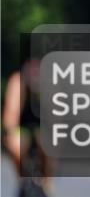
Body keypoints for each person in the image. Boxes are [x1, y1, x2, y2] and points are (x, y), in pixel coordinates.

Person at [3, 59, 53, 196]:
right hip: (22, 128)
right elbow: (11, 113)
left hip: (42, 128)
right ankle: (22, 179)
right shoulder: (18, 81)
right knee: (16, 144)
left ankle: (47, 182)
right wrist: (11, 132)